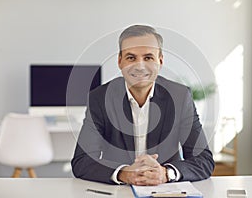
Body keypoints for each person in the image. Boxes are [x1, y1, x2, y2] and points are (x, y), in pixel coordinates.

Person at [71, 25, 214, 186]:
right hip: (119, 192)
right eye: (131, 58)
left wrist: (166, 173)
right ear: (120, 61)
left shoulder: (180, 96)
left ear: (160, 61)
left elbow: (204, 160)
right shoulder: (100, 98)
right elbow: (82, 161)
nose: (139, 65)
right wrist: (124, 174)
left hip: (165, 191)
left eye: (148, 58)